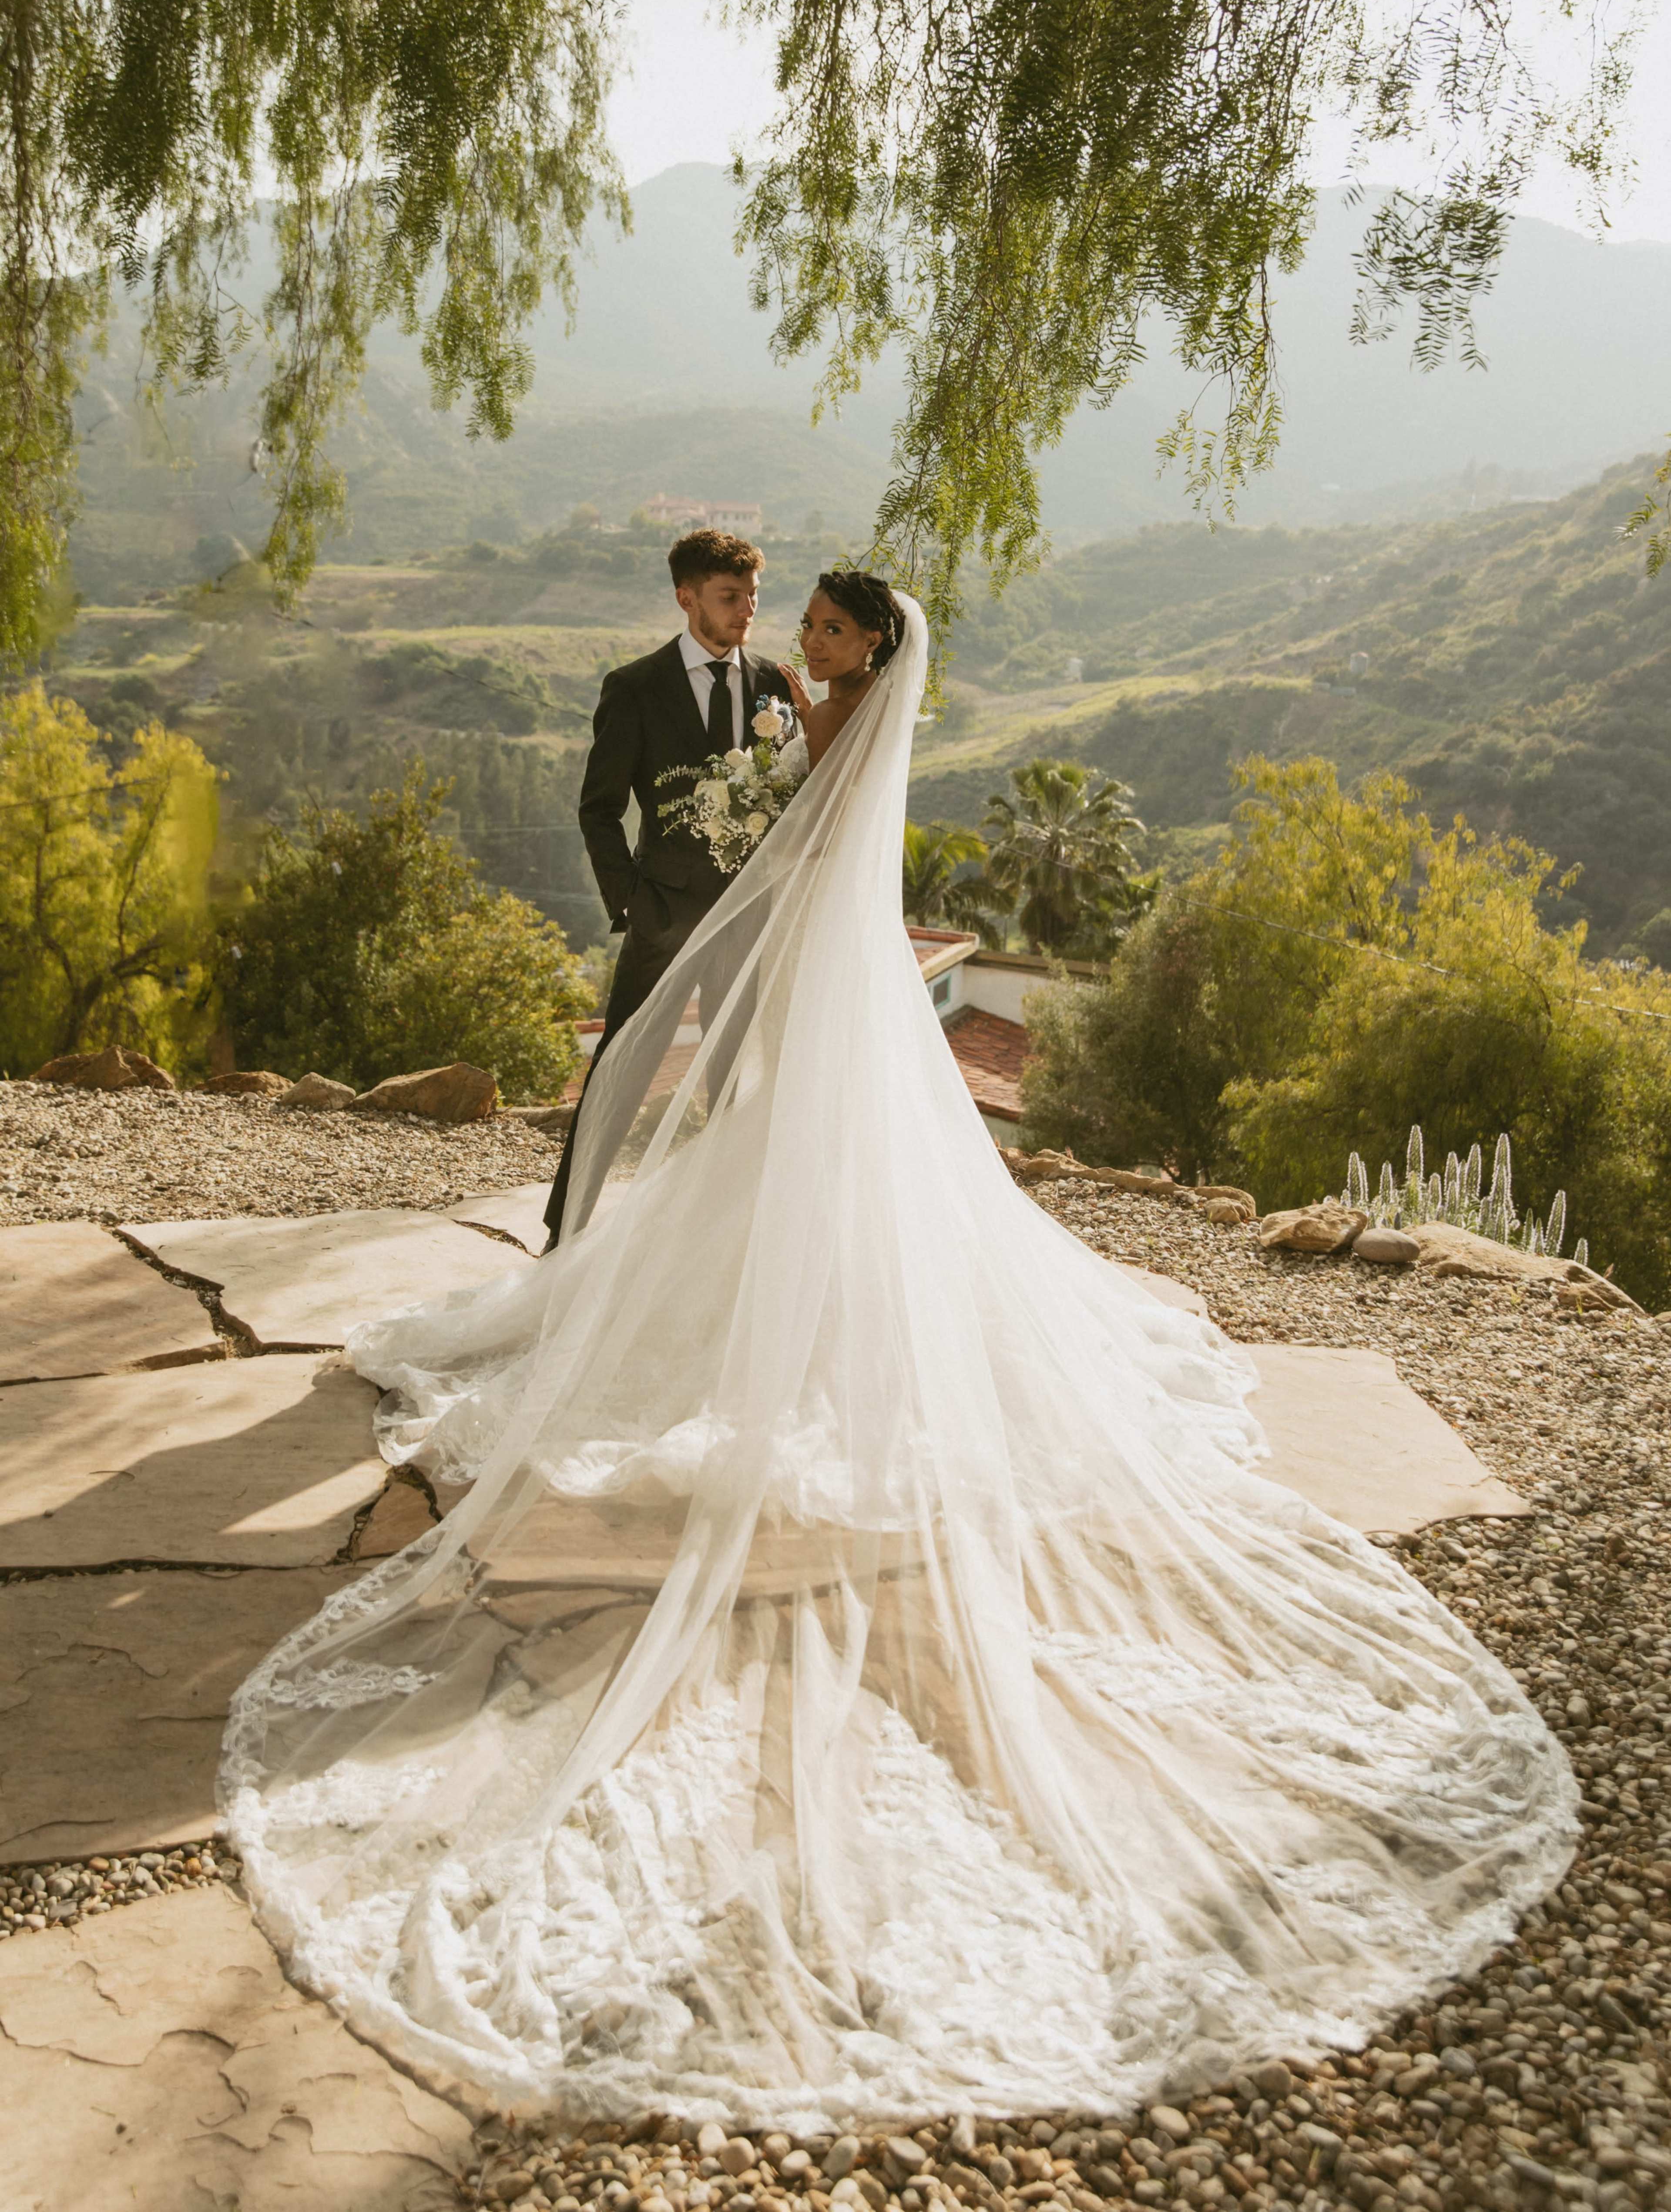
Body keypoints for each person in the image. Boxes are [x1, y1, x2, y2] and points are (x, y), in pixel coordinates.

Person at [222, 574, 1577, 2131]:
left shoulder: (839, 712)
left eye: (823, 625)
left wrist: (755, 803)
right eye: (796, 622)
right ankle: (770, 1311)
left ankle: (789, 1335)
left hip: (822, 950)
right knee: (787, 1158)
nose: (804, 640)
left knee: (787, 1158)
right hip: (832, 951)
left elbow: (797, 829)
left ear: (872, 642)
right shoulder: (840, 706)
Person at [542, 528, 801, 1246]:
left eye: (753, 594)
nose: (747, 608)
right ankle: (563, 1233)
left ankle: (722, 1246)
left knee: (734, 1083)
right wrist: (629, 899)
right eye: (729, 596)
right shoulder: (635, 687)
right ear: (687, 598)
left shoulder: (775, 686)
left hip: (748, 916)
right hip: (662, 915)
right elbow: (599, 808)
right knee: (619, 1075)